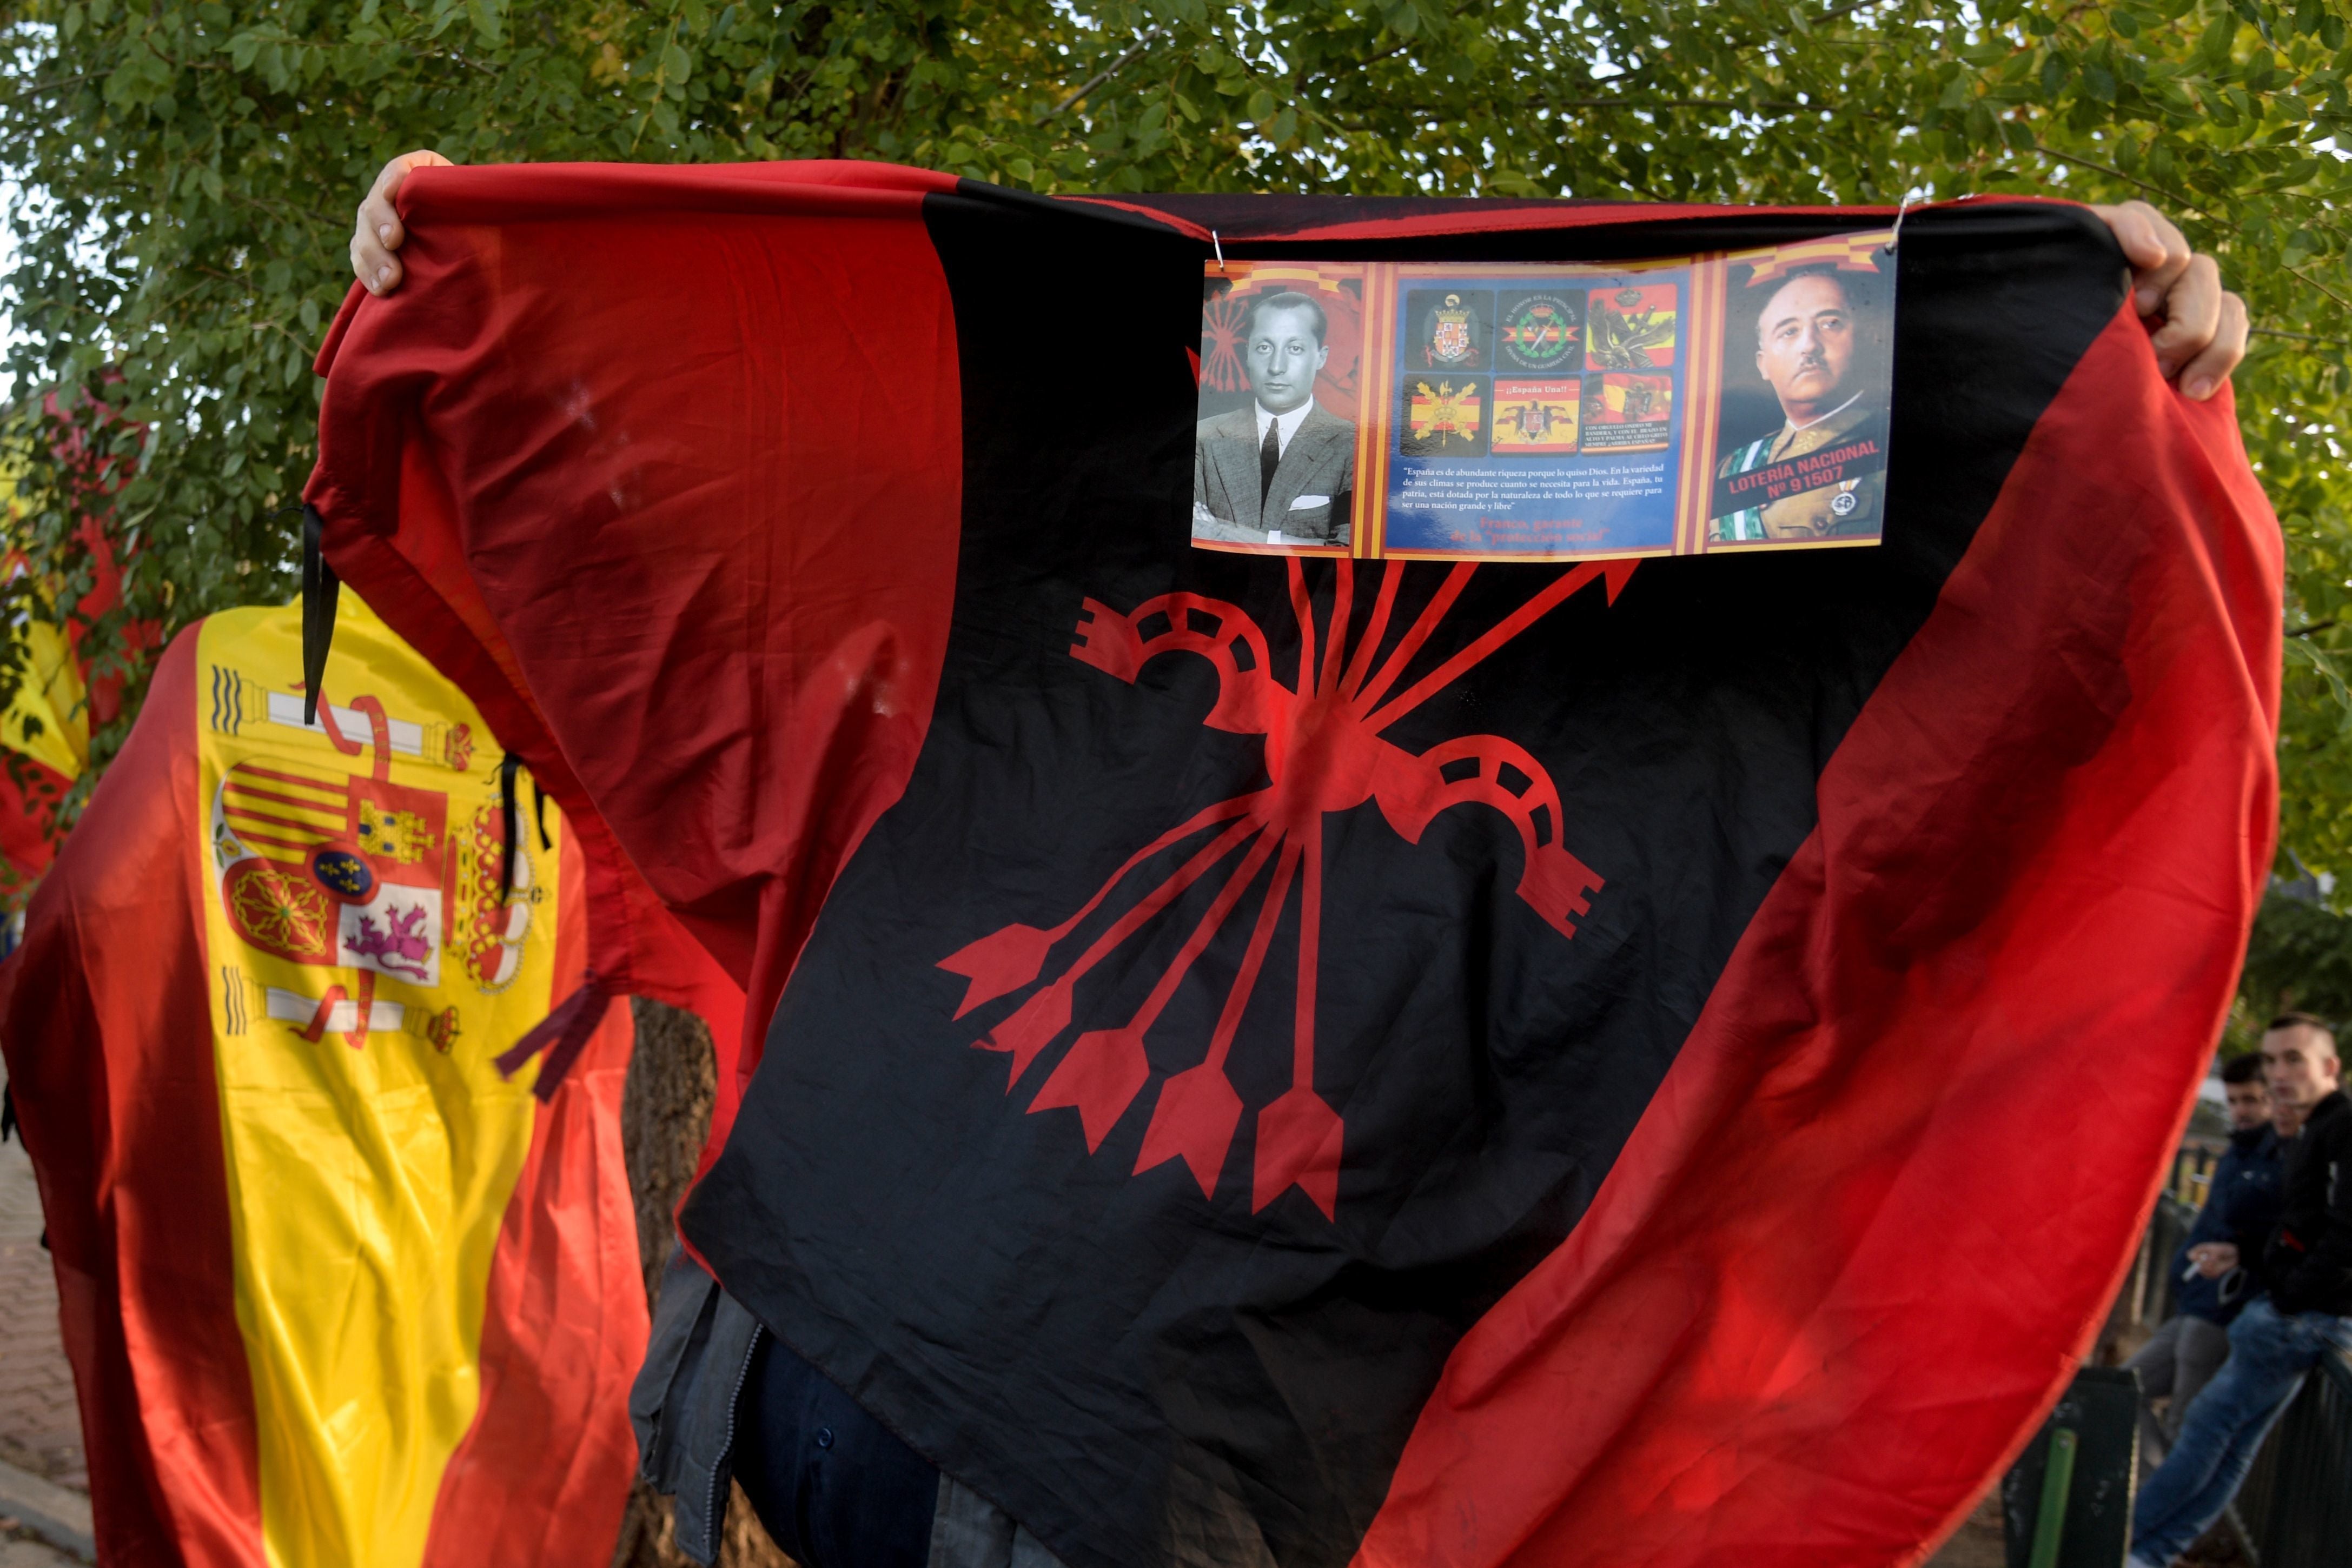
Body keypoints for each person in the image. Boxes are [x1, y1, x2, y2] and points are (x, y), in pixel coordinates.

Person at [344, 154, 2250, 1568]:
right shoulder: (1108, 368)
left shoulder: (1774, 560)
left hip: (1040, 1401)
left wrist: (2113, 365)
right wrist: (484, 254)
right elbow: (758, 392)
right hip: (899, 1353)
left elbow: (2030, 713)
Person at [2129, 1014, 2352, 1568]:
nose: (2279, 1072)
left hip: (2296, 1317)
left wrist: (2287, 1297)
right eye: (2272, 1059)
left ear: (2329, 1067)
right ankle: (2144, 1551)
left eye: (2293, 1058)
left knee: (2206, 1430)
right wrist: (2252, 1260)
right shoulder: (2315, 1130)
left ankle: (2118, 1542)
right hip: (2288, 1312)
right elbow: (2305, 1227)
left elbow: (2345, 1232)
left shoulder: (2341, 1127)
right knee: (2224, 1442)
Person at [2125, 1053, 2283, 1445]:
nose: (2240, 1111)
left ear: (2272, 1098)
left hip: (2222, 1309)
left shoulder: (2279, 1157)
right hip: (2197, 1302)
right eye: (2233, 1101)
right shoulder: (2238, 1152)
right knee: (2121, 1389)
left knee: (2185, 1423)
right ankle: (2152, 1489)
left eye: (2250, 1100)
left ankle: (2163, 1500)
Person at [1712, 268, 1886, 542]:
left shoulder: (1886, 442)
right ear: (1763, 364)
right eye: (1789, 331)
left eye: (1830, 323)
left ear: (1867, 338)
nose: (1809, 345)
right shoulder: (1737, 466)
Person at [1190, 290, 1357, 547]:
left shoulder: (1351, 445)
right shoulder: (1205, 437)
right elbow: (1189, 531)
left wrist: (1221, 532)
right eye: (1265, 347)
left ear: (1321, 357)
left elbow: (1346, 550)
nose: (1277, 367)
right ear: (1247, 353)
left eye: (1295, 348)